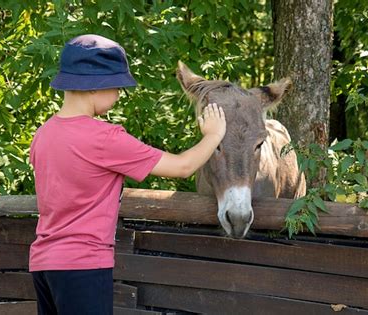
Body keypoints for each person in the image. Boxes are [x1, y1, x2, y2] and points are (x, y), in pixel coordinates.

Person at [29, 34, 226, 315]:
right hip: (83, 264)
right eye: (118, 86)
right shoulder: (104, 138)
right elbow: (182, 167)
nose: (119, 94)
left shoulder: (43, 134)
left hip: (43, 263)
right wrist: (213, 134)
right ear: (95, 86)